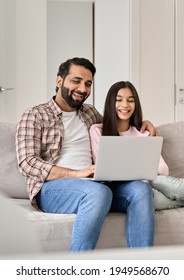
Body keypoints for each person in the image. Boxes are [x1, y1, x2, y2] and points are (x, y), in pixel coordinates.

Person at [16, 57, 157, 252]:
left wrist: (143, 122)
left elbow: (116, 127)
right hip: (52, 190)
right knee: (98, 193)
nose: (83, 88)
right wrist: (75, 173)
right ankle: (79, 266)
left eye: (88, 83)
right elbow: (26, 162)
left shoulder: (90, 113)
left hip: (97, 184)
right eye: (76, 81)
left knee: (141, 190)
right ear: (59, 81)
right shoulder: (35, 115)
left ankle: (143, 267)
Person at [89, 81, 169, 248]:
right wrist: (140, 168)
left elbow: (163, 169)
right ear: (111, 102)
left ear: (136, 104)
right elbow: (102, 166)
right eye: (119, 100)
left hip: (141, 190)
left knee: (145, 189)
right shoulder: (97, 130)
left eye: (130, 100)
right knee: (143, 188)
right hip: (109, 191)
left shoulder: (143, 134)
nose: (125, 105)